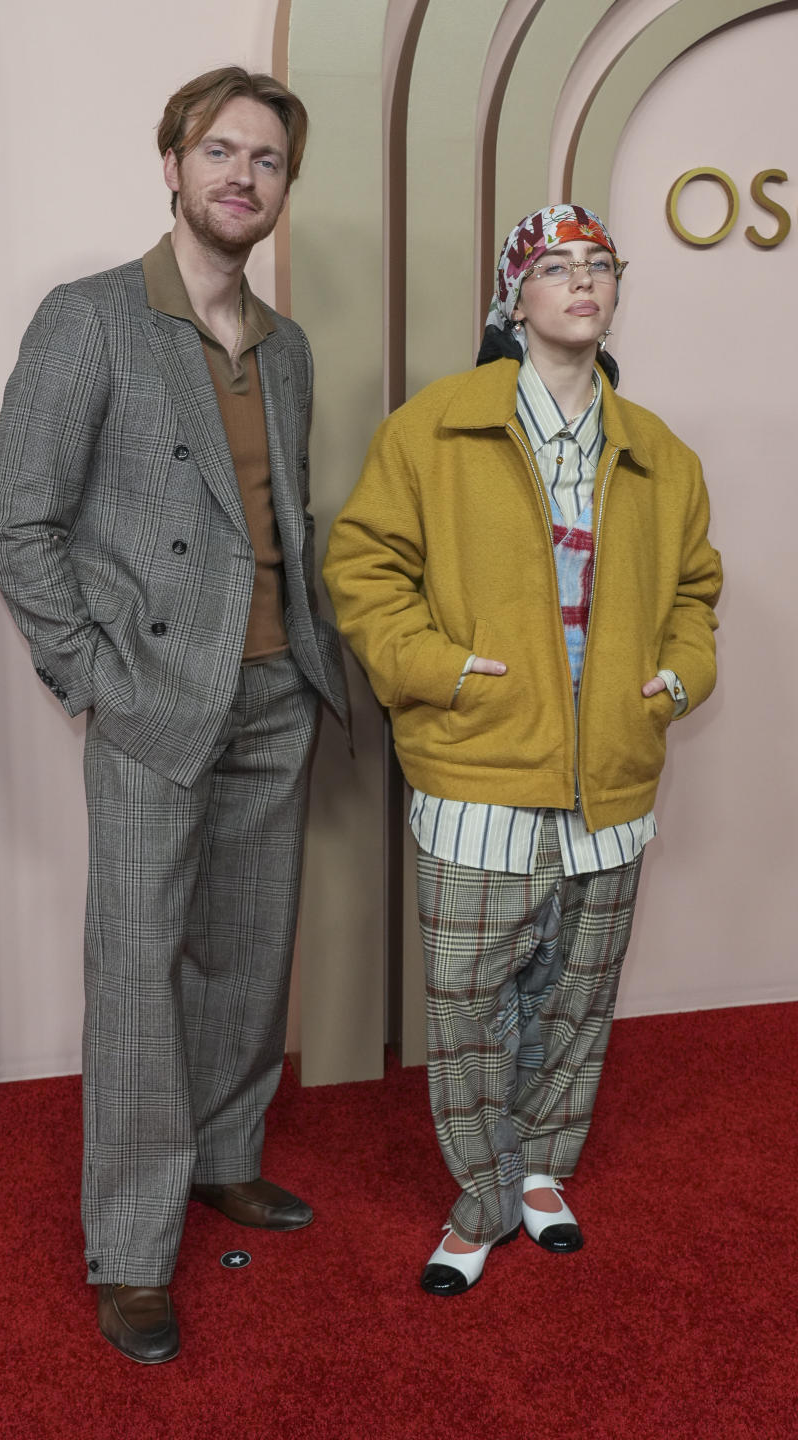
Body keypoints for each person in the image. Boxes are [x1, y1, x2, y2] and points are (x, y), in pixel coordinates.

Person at [0, 66, 347, 1362]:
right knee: (139, 973)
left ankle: (225, 1157)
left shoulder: (287, 344)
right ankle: (132, 1250)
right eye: (219, 152)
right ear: (173, 165)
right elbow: (20, 521)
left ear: (281, 191)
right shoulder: (90, 320)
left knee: (249, 954)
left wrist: (313, 658)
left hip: (273, 691)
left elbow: (284, 523)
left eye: (266, 161)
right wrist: (90, 677)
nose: (241, 176)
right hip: (150, 696)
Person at [323, 204, 721, 1296]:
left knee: (576, 997)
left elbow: (696, 590)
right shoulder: (431, 430)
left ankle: (543, 1173)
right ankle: (481, 1196)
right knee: (468, 1007)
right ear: (515, 299)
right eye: (556, 266)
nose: (582, 283)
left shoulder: (660, 453)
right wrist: (442, 671)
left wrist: (677, 680)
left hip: (614, 786)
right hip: (478, 774)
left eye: (600, 266)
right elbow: (362, 572)